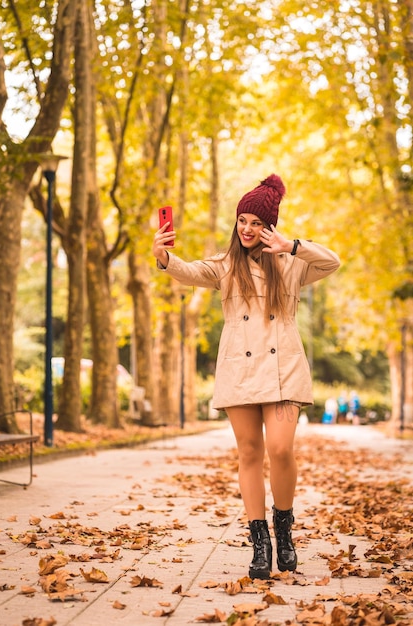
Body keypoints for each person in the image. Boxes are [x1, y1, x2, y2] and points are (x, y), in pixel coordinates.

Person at [153, 174, 340, 579]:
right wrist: (164, 257)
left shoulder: (292, 265)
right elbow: (187, 270)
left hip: (284, 370)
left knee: (281, 449)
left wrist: (290, 245)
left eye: (256, 221)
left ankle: (284, 529)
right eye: (243, 220)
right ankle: (260, 542)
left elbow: (332, 261)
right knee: (250, 452)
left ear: (269, 226)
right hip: (239, 370)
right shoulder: (225, 265)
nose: (247, 229)